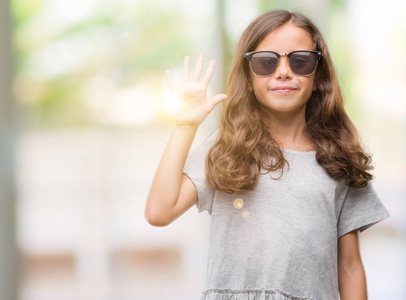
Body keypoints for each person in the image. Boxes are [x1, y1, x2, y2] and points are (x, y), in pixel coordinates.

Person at [145, 9, 390, 300]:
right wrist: (185, 125)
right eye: (266, 62)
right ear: (248, 77)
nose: (283, 71)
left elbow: (349, 267)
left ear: (317, 74)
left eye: (300, 61)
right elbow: (159, 212)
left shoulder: (338, 159)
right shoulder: (227, 149)